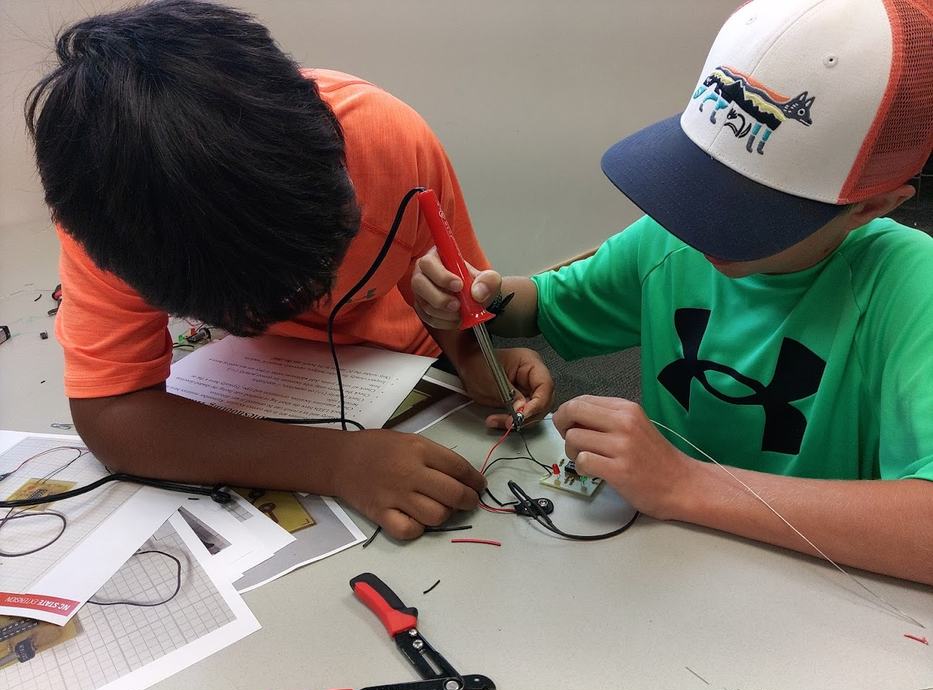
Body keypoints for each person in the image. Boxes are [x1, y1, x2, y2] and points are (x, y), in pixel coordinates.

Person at [412, 0, 933, 584]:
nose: (701, 224)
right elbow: (545, 303)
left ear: (875, 205)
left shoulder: (914, 289)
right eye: (700, 184)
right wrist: (484, 295)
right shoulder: (669, 241)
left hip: (815, 578)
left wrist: (685, 483)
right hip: (664, 557)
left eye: (751, 212)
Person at [25, 0, 554, 539]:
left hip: (406, 374)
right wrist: (335, 463)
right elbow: (110, 414)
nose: (307, 296)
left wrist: (469, 354)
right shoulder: (111, 219)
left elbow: (455, 297)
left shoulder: (388, 142)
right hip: (270, 394)